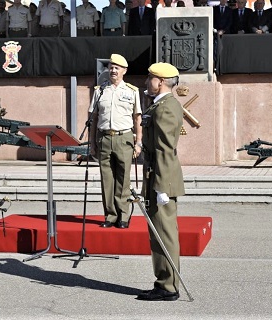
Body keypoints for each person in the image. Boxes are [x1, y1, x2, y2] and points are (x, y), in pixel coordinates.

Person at [137, 62, 184, 302]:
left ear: (161, 82)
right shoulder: (160, 105)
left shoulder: (165, 108)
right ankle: (163, 282)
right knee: (159, 233)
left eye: (150, 79)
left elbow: (165, 149)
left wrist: (162, 187)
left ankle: (168, 286)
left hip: (161, 177)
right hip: (156, 175)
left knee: (164, 233)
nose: (147, 82)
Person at [88, 54, 142, 229]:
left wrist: (138, 142)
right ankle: (110, 215)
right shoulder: (100, 90)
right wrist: (92, 143)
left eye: (117, 68)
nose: (113, 70)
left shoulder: (132, 91)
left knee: (123, 178)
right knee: (107, 179)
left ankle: (123, 216)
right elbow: (94, 118)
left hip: (124, 138)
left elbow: (137, 118)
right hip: (104, 137)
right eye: (111, 67)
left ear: (124, 71)